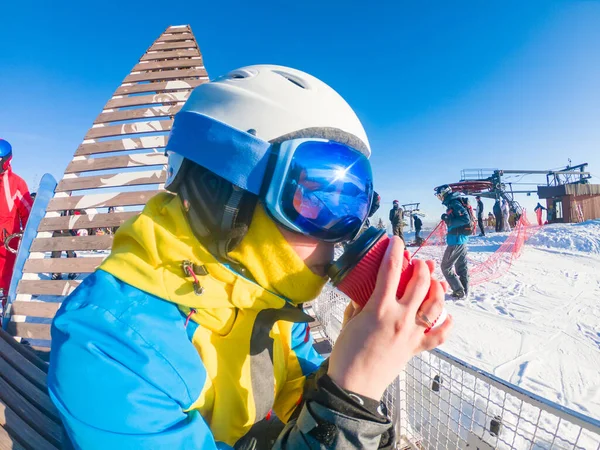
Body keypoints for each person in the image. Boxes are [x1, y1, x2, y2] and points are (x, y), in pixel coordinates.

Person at [48, 65, 452, 450]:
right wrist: (353, 396)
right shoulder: (111, 347)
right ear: (223, 190)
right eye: (315, 206)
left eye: (353, 205)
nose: (340, 236)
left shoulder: (263, 298)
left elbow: (301, 401)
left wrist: (356, 363)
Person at [0, 139, 32, 307]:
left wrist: (29, 241)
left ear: (6, 161)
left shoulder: (16, 184)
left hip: (6, 246)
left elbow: (28, 214)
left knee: (4, 283)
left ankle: (3, 316)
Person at [435, 185, 470, 299]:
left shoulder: (454, 203)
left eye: (440, 195)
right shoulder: (453, 202)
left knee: (445, 267)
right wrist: (448, 219)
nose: (439, 198)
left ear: (445, 193)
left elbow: (465, 219)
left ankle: (459, 291)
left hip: (456, 240)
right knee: (461, 266)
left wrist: (449, 221)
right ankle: (464, 290)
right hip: (460, 239)